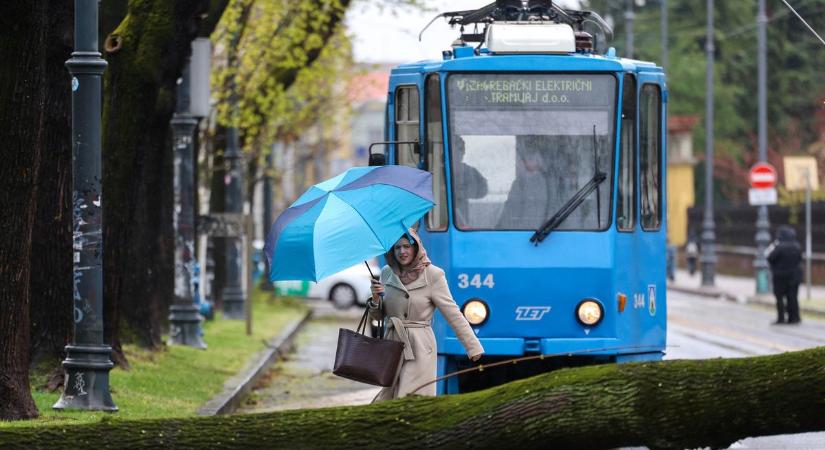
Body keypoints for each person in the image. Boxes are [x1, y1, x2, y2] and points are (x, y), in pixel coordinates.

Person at [368, 228, 483, 400]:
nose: (402, 252)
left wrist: (473, 347)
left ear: (417, 247)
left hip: (420, 347)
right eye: (397, 248)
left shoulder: (433, 275)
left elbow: (453, 313)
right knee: (387, 400)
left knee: (409, 399)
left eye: (407, 246)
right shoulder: (386, 272)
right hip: (392, 345)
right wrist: (376, 298)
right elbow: (378, 318)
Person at [766, 225, 803, 325]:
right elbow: (800, 259)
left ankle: (781, 318)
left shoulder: (779, 246)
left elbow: (770, 258)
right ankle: (794, 317)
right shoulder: (796, 246)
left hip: (780, 277)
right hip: (794, 276)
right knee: (793, 297)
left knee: (779, 298)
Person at [452, 137, 488, 228]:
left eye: (460, 151)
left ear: (463, 153)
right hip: (436, 218)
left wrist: (461, 193)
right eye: (454, 151)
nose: (457, 154)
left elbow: (483, 190)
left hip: (461, 220)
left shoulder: (470, 171)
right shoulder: (435, 169)